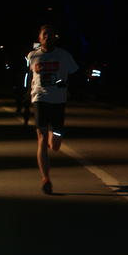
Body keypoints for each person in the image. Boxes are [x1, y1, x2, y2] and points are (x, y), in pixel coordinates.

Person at [26, 24, 79, 194]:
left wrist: (67, 87)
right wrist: (26, 96)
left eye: (50, 34)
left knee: (55, 145)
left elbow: (75, 73)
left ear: (55, 37)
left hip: (58, 101)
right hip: (40, 99)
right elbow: (29, 77)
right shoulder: (33, 55)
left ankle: (54, 136)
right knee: (41, 139)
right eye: (44, 34)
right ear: (39, 37)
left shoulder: (64, 55)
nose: (47, 37)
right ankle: (45, 179)